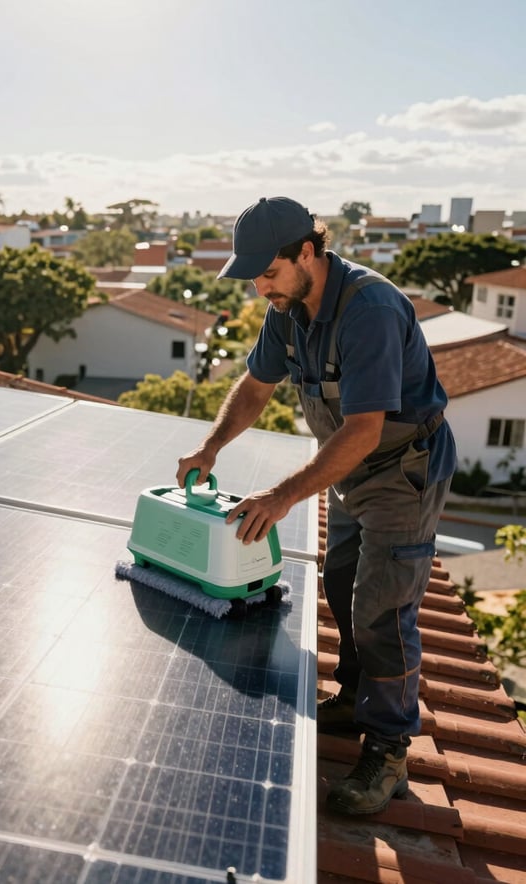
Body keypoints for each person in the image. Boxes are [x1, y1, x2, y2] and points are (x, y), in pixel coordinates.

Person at [176, 196, 456, 816]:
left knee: (382, 607)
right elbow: (254, 386)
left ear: (307, 251)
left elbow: (362, 430)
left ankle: (387, 751)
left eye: (268, 273)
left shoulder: (371, 310)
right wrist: (211, 445)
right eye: (253, 277)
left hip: (399, 472)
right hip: (351, 470)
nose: (260, 289)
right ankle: (356, 693)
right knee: (339, 581)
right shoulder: (289, 306)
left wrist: (280, 497)